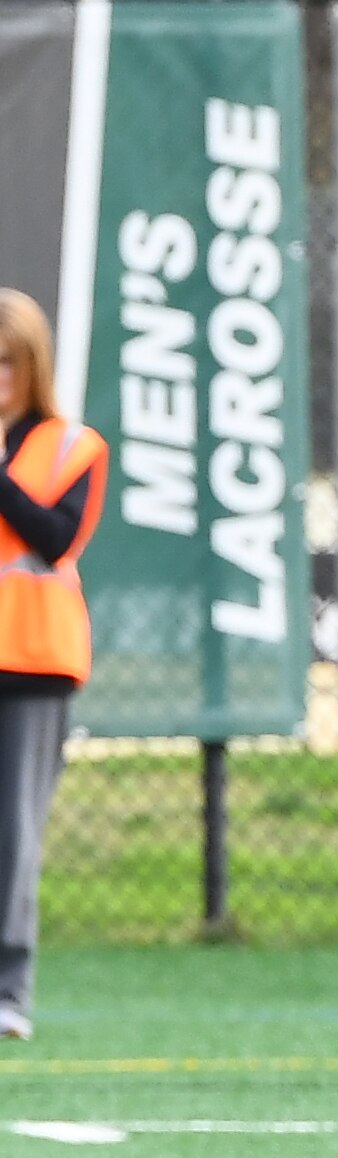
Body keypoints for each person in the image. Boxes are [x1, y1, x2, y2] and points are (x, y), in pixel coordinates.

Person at [0, 289, 107, 1041]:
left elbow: (54, 537)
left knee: (13, 830)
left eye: (6, 361)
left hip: (32, 658)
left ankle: (8, 988)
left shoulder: (72, 445)